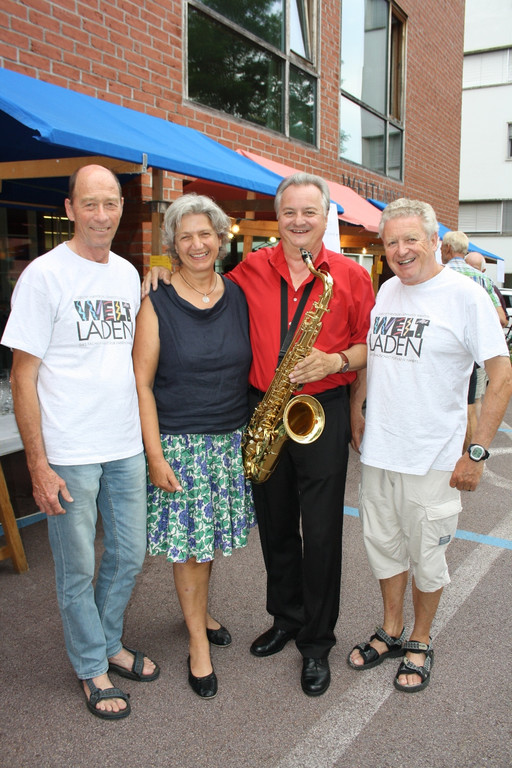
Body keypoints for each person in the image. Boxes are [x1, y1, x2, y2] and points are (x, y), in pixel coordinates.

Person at [144, 173, 375, 696]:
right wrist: (155, 271)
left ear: (325, 217)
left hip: (320, 408)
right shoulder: (250, 267)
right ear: (279, 217)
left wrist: (336, 359)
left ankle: (317, 643)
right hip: (263, 410)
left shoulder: (352, 277)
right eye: (289, 212)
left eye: (309, 213)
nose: (298, 222)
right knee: (274, 526)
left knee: (319, 533)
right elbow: (194, 275)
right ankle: (286, 617)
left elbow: (369, 347)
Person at [1, 165, 160, 720]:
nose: (100, 215)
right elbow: (23, 375)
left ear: (122, 208)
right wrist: (38, 465)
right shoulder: (43, 276)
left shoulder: (124, 274)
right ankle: (91, 665)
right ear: (69, 209)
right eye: (89, 204)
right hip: (68, 451)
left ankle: (109, 640)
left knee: (129, 554)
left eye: (110, 204)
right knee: (77, 569)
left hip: (124, 445)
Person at [348, 199, 512, 693]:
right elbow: (376, 358)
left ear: (434, 239)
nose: (400, 251)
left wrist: (477, 451)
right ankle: (391, 628)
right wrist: (358, 406)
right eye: (391, 242)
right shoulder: (388, 291)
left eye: (410, 240)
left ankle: (420, 638)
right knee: (385, 549)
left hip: (434, 457)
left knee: (428, 555)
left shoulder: (463, 295)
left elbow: (501, 374)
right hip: (381, 452)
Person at [133, 193, 255, 699]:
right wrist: (155, 456)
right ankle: (197, 644)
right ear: (172, 248)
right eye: (186, 237)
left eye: (206, 234)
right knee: (190, 550)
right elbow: (140, 383)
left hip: (229, 442)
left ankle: (201, 613)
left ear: (221, 238)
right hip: (180, 447)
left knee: (206, 546)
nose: (197, 244)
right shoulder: (155, 301)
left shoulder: (240, 295)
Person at [441, 231, 508, 447]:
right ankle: (469, 454)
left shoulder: (437, 274)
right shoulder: (482, 278)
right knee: (471, 405)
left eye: (442, 248)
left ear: (448, 249)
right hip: (473, 356)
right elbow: (501, 319)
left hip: (442, 353)